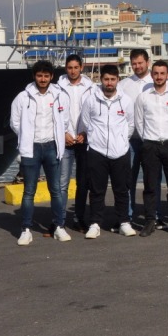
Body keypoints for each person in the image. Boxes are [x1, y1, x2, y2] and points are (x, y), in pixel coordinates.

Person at [10, 60, 70, 245]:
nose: (42, 79)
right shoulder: (22, 97)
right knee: (29, 191)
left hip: (52, 146)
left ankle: (59, 226)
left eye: (46, 76)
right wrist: (27, 137)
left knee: (56, 190)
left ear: (51, 77)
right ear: (34, 76)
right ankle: (26, 229)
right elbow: (15, 122)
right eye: (39, 76)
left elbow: (65, 121)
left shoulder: (60, 96)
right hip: (31, 148)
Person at [79, 64, 136, 238]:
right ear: (101, 80)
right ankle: (95, 223)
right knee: (97, 190)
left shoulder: (126, 101)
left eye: (112, 79)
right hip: (97, 151)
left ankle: (124, 222)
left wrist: (121, 140)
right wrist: (95, 139)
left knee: (122, 189)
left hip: (120, 151)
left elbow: (130, 125)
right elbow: (86, 123)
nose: (109, 83)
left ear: (118, 80)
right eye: (106, 79)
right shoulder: (91, 100)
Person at [135, 60, 168, 236]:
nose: (159, 77)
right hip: (150, 145)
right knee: (150, 185)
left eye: (162, 73)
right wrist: (148, 140)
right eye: (156, 73)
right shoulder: (143, 97)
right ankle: (150, 221)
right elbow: (139, 122)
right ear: (152, 75)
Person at [57, 54, 95, 232]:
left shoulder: (90, 88)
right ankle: (59, 220)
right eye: (69, 68)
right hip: (65, 141)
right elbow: (55, 114)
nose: (72, 71)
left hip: (83, 140)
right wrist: (63, 133)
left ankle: (78, 218)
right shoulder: (58, 87)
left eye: (76, 67)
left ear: (81, 67)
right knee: (62, 183)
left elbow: (94, 114)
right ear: (66, 68)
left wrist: (86, 133)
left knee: (83, 183)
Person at [118, 49, 153, 224]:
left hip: (150, 138)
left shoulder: (156, 81)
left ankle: (153, 215)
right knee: (128, 179)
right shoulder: (123, 85)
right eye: (134, 63)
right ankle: (128, 215)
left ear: (148, 62)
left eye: (140, 63)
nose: (137, 66)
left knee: (151, 179)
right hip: (130, 139)